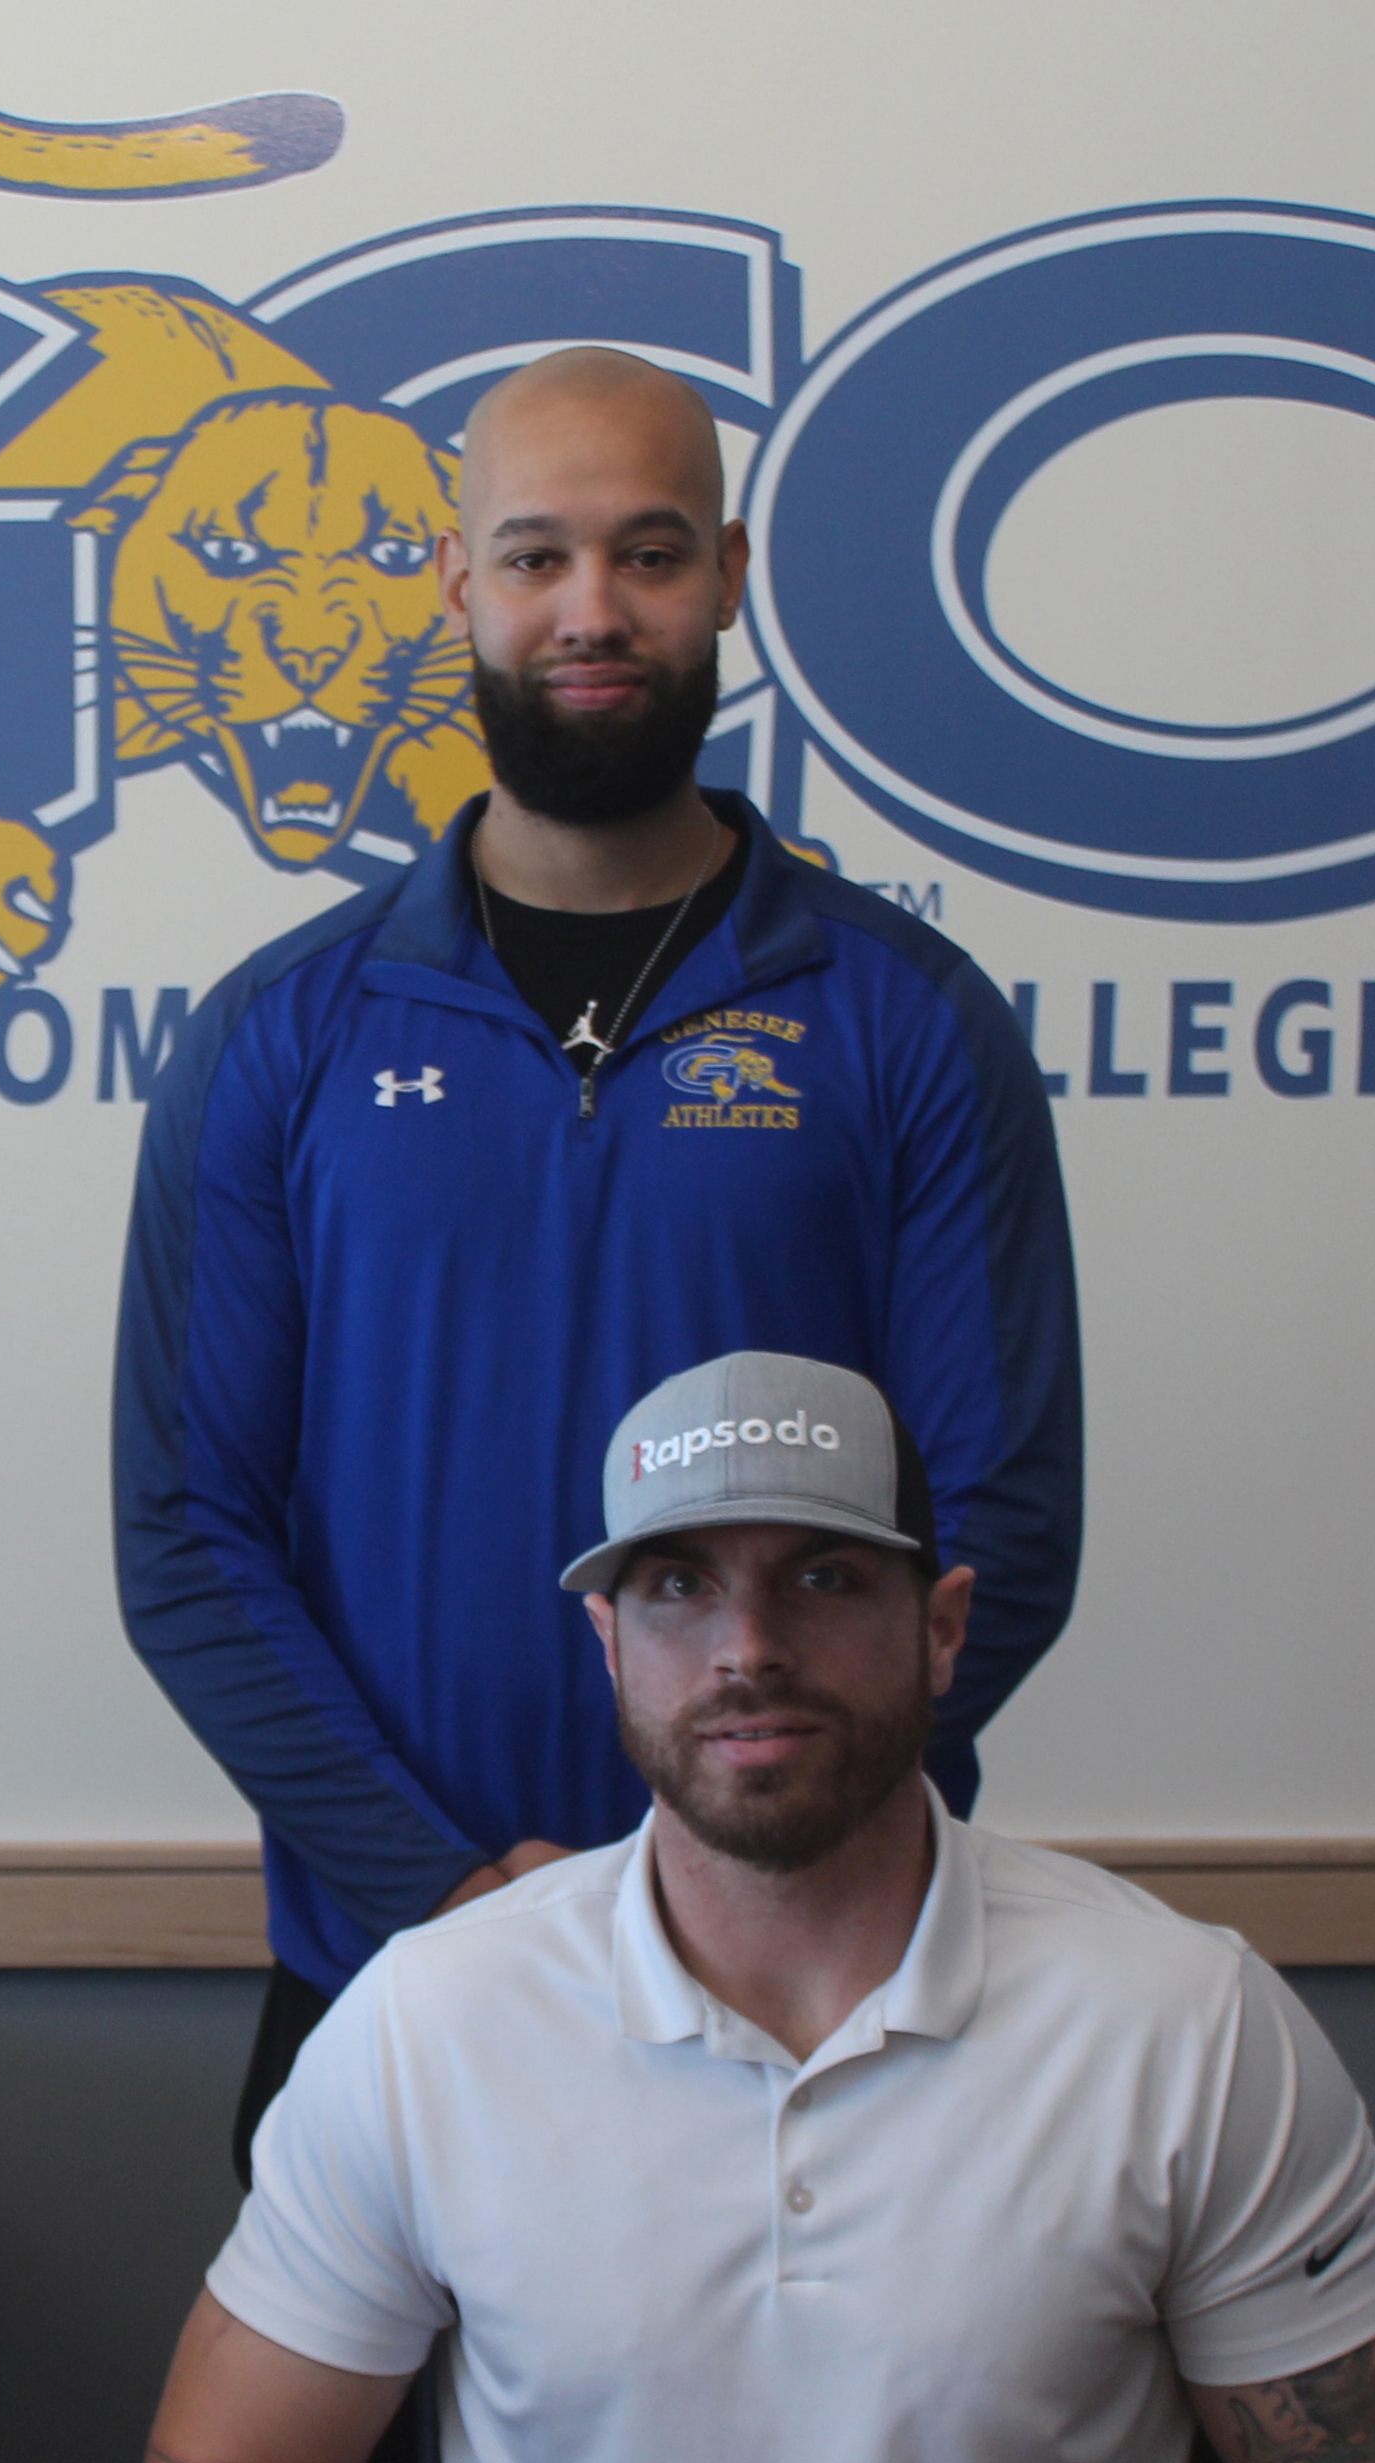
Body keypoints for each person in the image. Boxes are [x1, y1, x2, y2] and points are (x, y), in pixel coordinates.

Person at [134, 1353, 1375, 2463]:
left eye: (822, 1579)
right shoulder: (431, 2019)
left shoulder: (1186, 2017)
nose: (748, 1649)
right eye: (677, 1587)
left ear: (943, 1626)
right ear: (608, 1642)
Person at [116, 347, 1083, 2153]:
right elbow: (187, 1537)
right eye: (538, 555)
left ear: (726, 576)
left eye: (647, 556)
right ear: (458, 582)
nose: (592, 611)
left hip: (818, 1994)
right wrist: (459, 1892)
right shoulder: (283, 1035)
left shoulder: (906, 1023)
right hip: (398, 1989)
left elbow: (1002, 1523)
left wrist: (726, 1881)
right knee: (291, 2454)